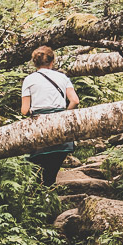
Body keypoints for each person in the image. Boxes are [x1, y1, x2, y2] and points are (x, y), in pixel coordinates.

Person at [20, 45, 79, 186]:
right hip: (60, 126)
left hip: (39, 128)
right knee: (52, 171)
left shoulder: (29, 79)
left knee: (37, 168)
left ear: (34, 63)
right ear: (52, 62)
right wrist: (64, 114)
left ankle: (39, 196)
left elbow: (24, 110)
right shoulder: (62, 77)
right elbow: (75, 101)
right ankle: (48, 191)